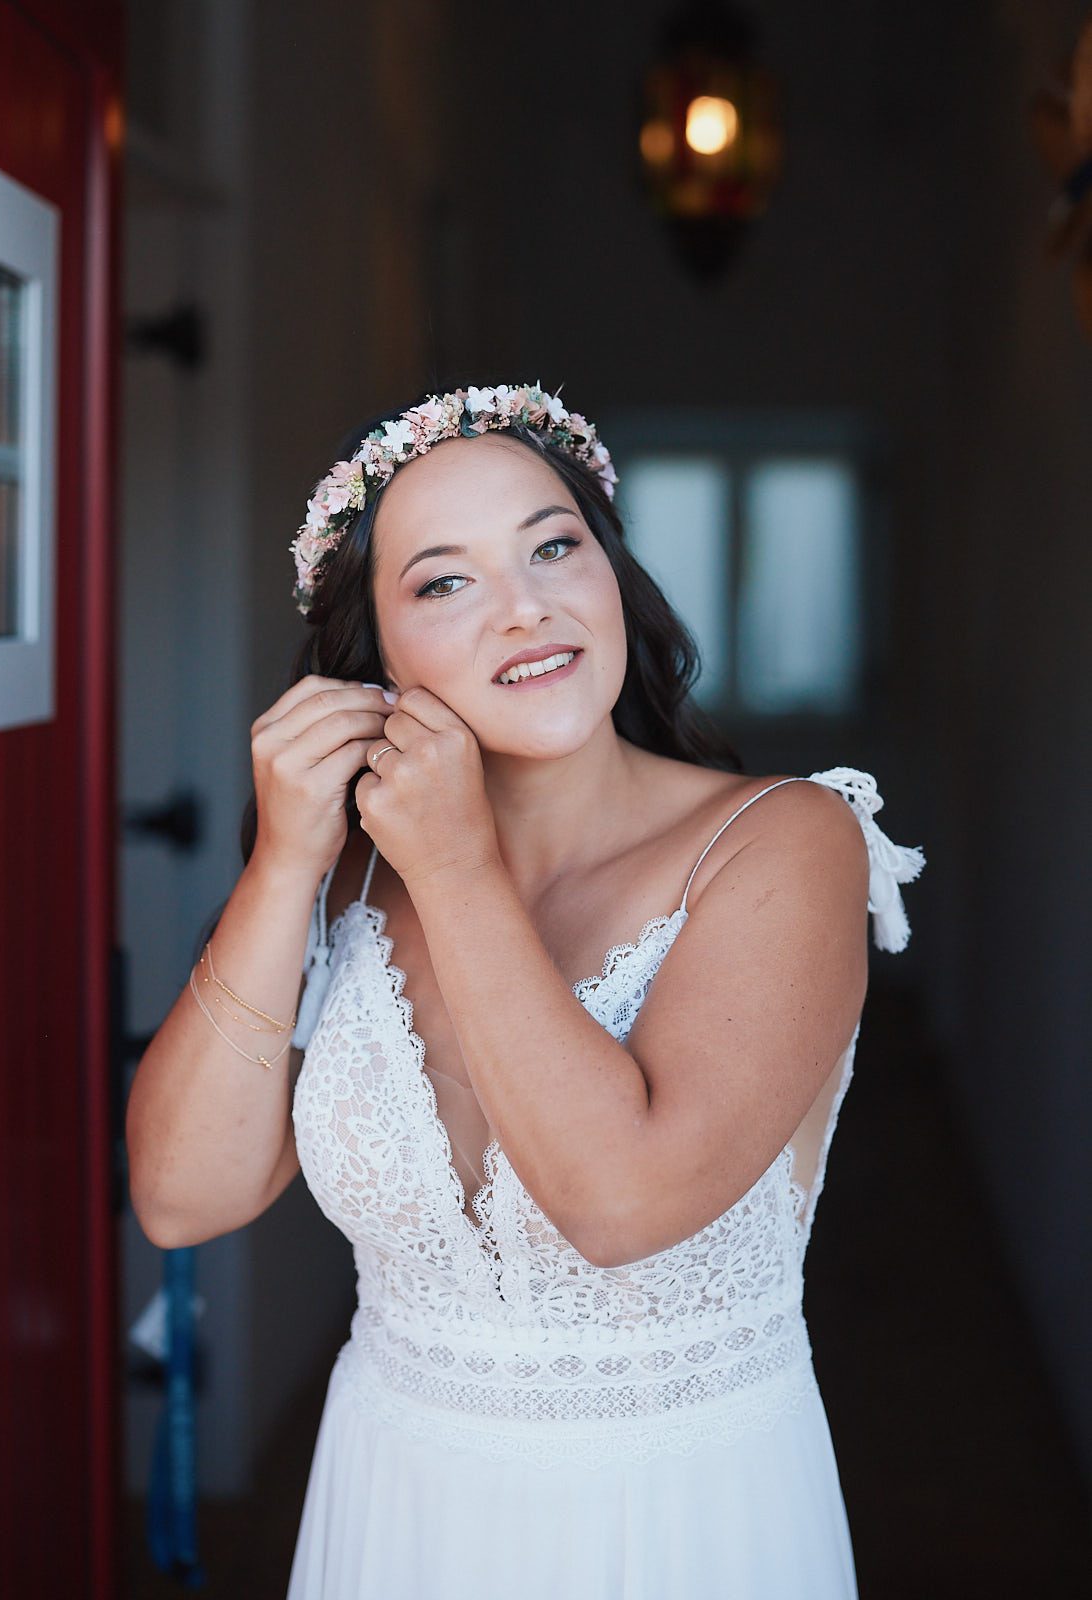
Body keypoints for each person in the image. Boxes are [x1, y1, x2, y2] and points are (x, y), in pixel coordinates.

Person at [126, 380, 926, 1598]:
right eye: (446, 581)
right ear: (373, 654)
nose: (527, 608)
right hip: (395, 1509)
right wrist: (286, 861)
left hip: (682, 1521)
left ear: (612, 576)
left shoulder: (786, 843)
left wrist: (454, 864)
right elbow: (183, 1197)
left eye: (555, 546)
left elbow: (620, 1206)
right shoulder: (344, 877)